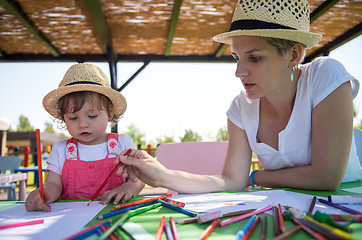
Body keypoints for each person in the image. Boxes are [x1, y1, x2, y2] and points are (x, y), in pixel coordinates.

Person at [115, 0, 361, 193]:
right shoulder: (240, 108)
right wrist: (162, 175)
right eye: (236, 57)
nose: (238, 72)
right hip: (285, 210)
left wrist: (256, 176)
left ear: (294, 55)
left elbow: (327, 178)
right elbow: (231, 181)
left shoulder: (324, 75)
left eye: (254, 58)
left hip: (348, 207)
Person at [25, 63, 144, 212]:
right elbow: (53, 184)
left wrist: (129, 187)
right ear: (63, 118)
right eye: (73, 118)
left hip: (113, 217)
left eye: (92, 116)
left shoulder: (123, 144)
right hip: (68, 221)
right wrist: (43, 194)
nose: (82, 124)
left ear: (110, 112)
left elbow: (138, 179)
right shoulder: (60, 149)